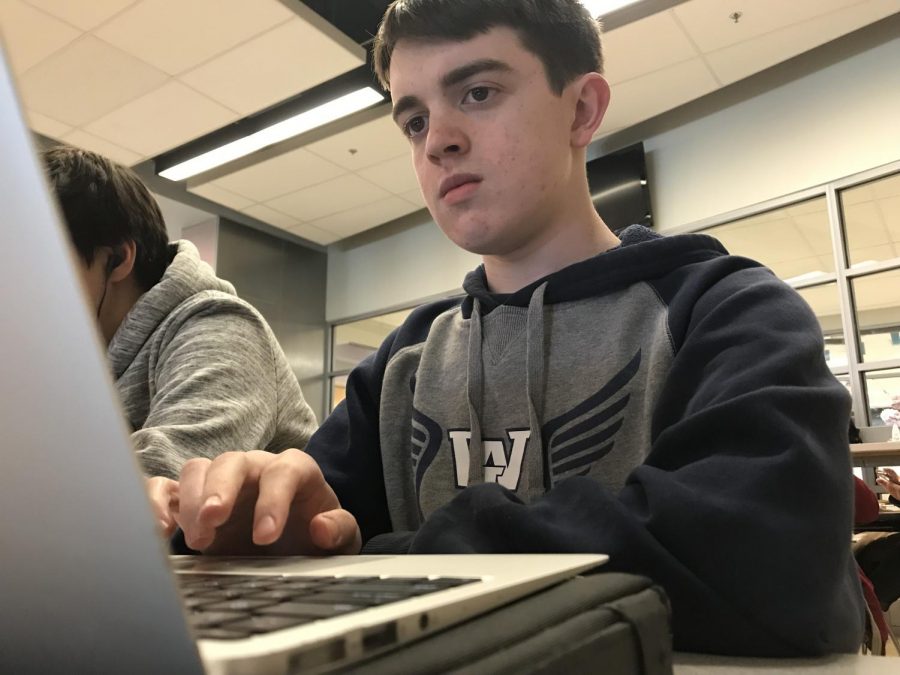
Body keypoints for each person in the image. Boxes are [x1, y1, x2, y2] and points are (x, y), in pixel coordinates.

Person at [167, 0, 864, 656]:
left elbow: (766, 564)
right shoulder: (403, 364)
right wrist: (253, 516)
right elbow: (310, 528)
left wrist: (382, 557)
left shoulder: (729, 310)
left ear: (582, 109)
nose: (438, 139)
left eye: (477, 93)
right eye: (413, 120)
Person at [42, 146, 318, 534]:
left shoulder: (220, 325)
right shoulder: (74, 367)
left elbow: (159, 487)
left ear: (118, 259)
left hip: (274, 581)